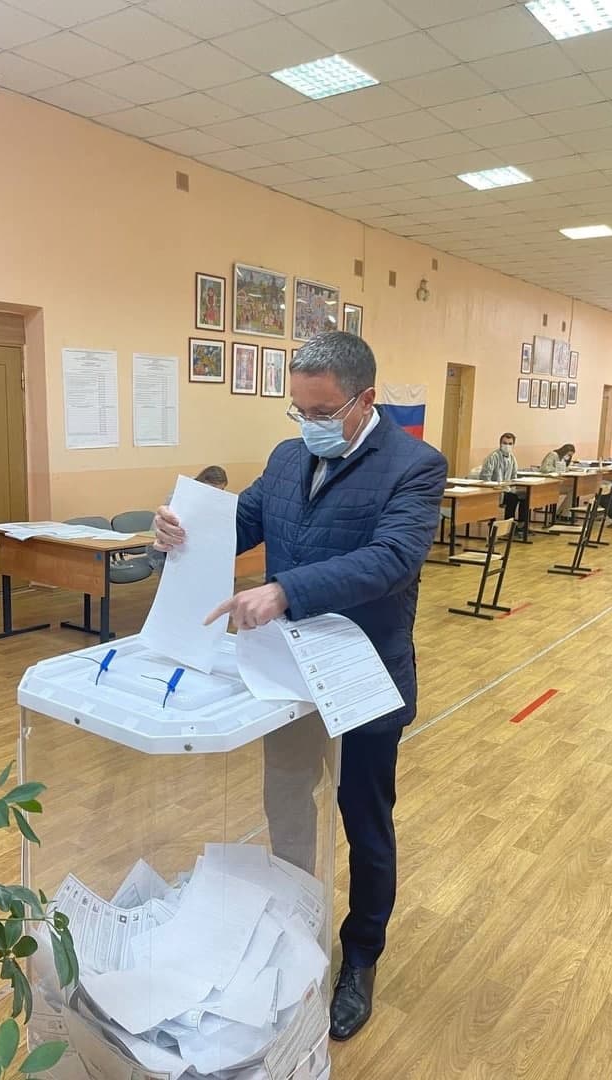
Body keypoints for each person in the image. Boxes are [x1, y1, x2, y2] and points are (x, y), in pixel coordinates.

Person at [153, 332, 447, 1042]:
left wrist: (287, 590)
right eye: (298, 410)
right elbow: (244, 523)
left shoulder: (415, 466)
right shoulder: (289, 457)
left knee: (365, 823)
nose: (308, 422)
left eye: (321, 411)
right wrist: (182, 529)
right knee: (286, 804)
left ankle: (361, 956)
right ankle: (293, 921)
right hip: (284, 678)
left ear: (365, 400)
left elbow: (393, 559)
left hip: (362, 677)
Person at [149, 466, 228, 570]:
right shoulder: (181, 494)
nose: (217, 494)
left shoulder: (215, 500)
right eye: (213, 490)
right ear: (202, 483)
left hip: (193, 551)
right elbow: (160, 529)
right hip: (165, 550)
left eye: (221, 490)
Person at [480, 433, 525, 521]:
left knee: (524, 496)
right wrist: (495, 487)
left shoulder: (512, 458)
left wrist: (513, 488)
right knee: (512, 498)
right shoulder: (493, 457)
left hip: (506, 489)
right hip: (494, 490)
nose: (507, 446)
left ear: (513, 445)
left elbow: (514, 477)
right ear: (500, 444)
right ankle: (508, 523)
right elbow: (485, 477)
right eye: (505, 443)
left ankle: (521, 524)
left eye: (510, 444)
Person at [540, 443, 575, 518]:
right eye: (568, 455)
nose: (568, 457)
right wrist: (558, 469)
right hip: (548, 484)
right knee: (573, 490)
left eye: (570, 456)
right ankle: (563, 513)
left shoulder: (562, 459)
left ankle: (562, 512)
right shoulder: (553, 454)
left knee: (573, 489)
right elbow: (544, 468)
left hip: (557, 483)